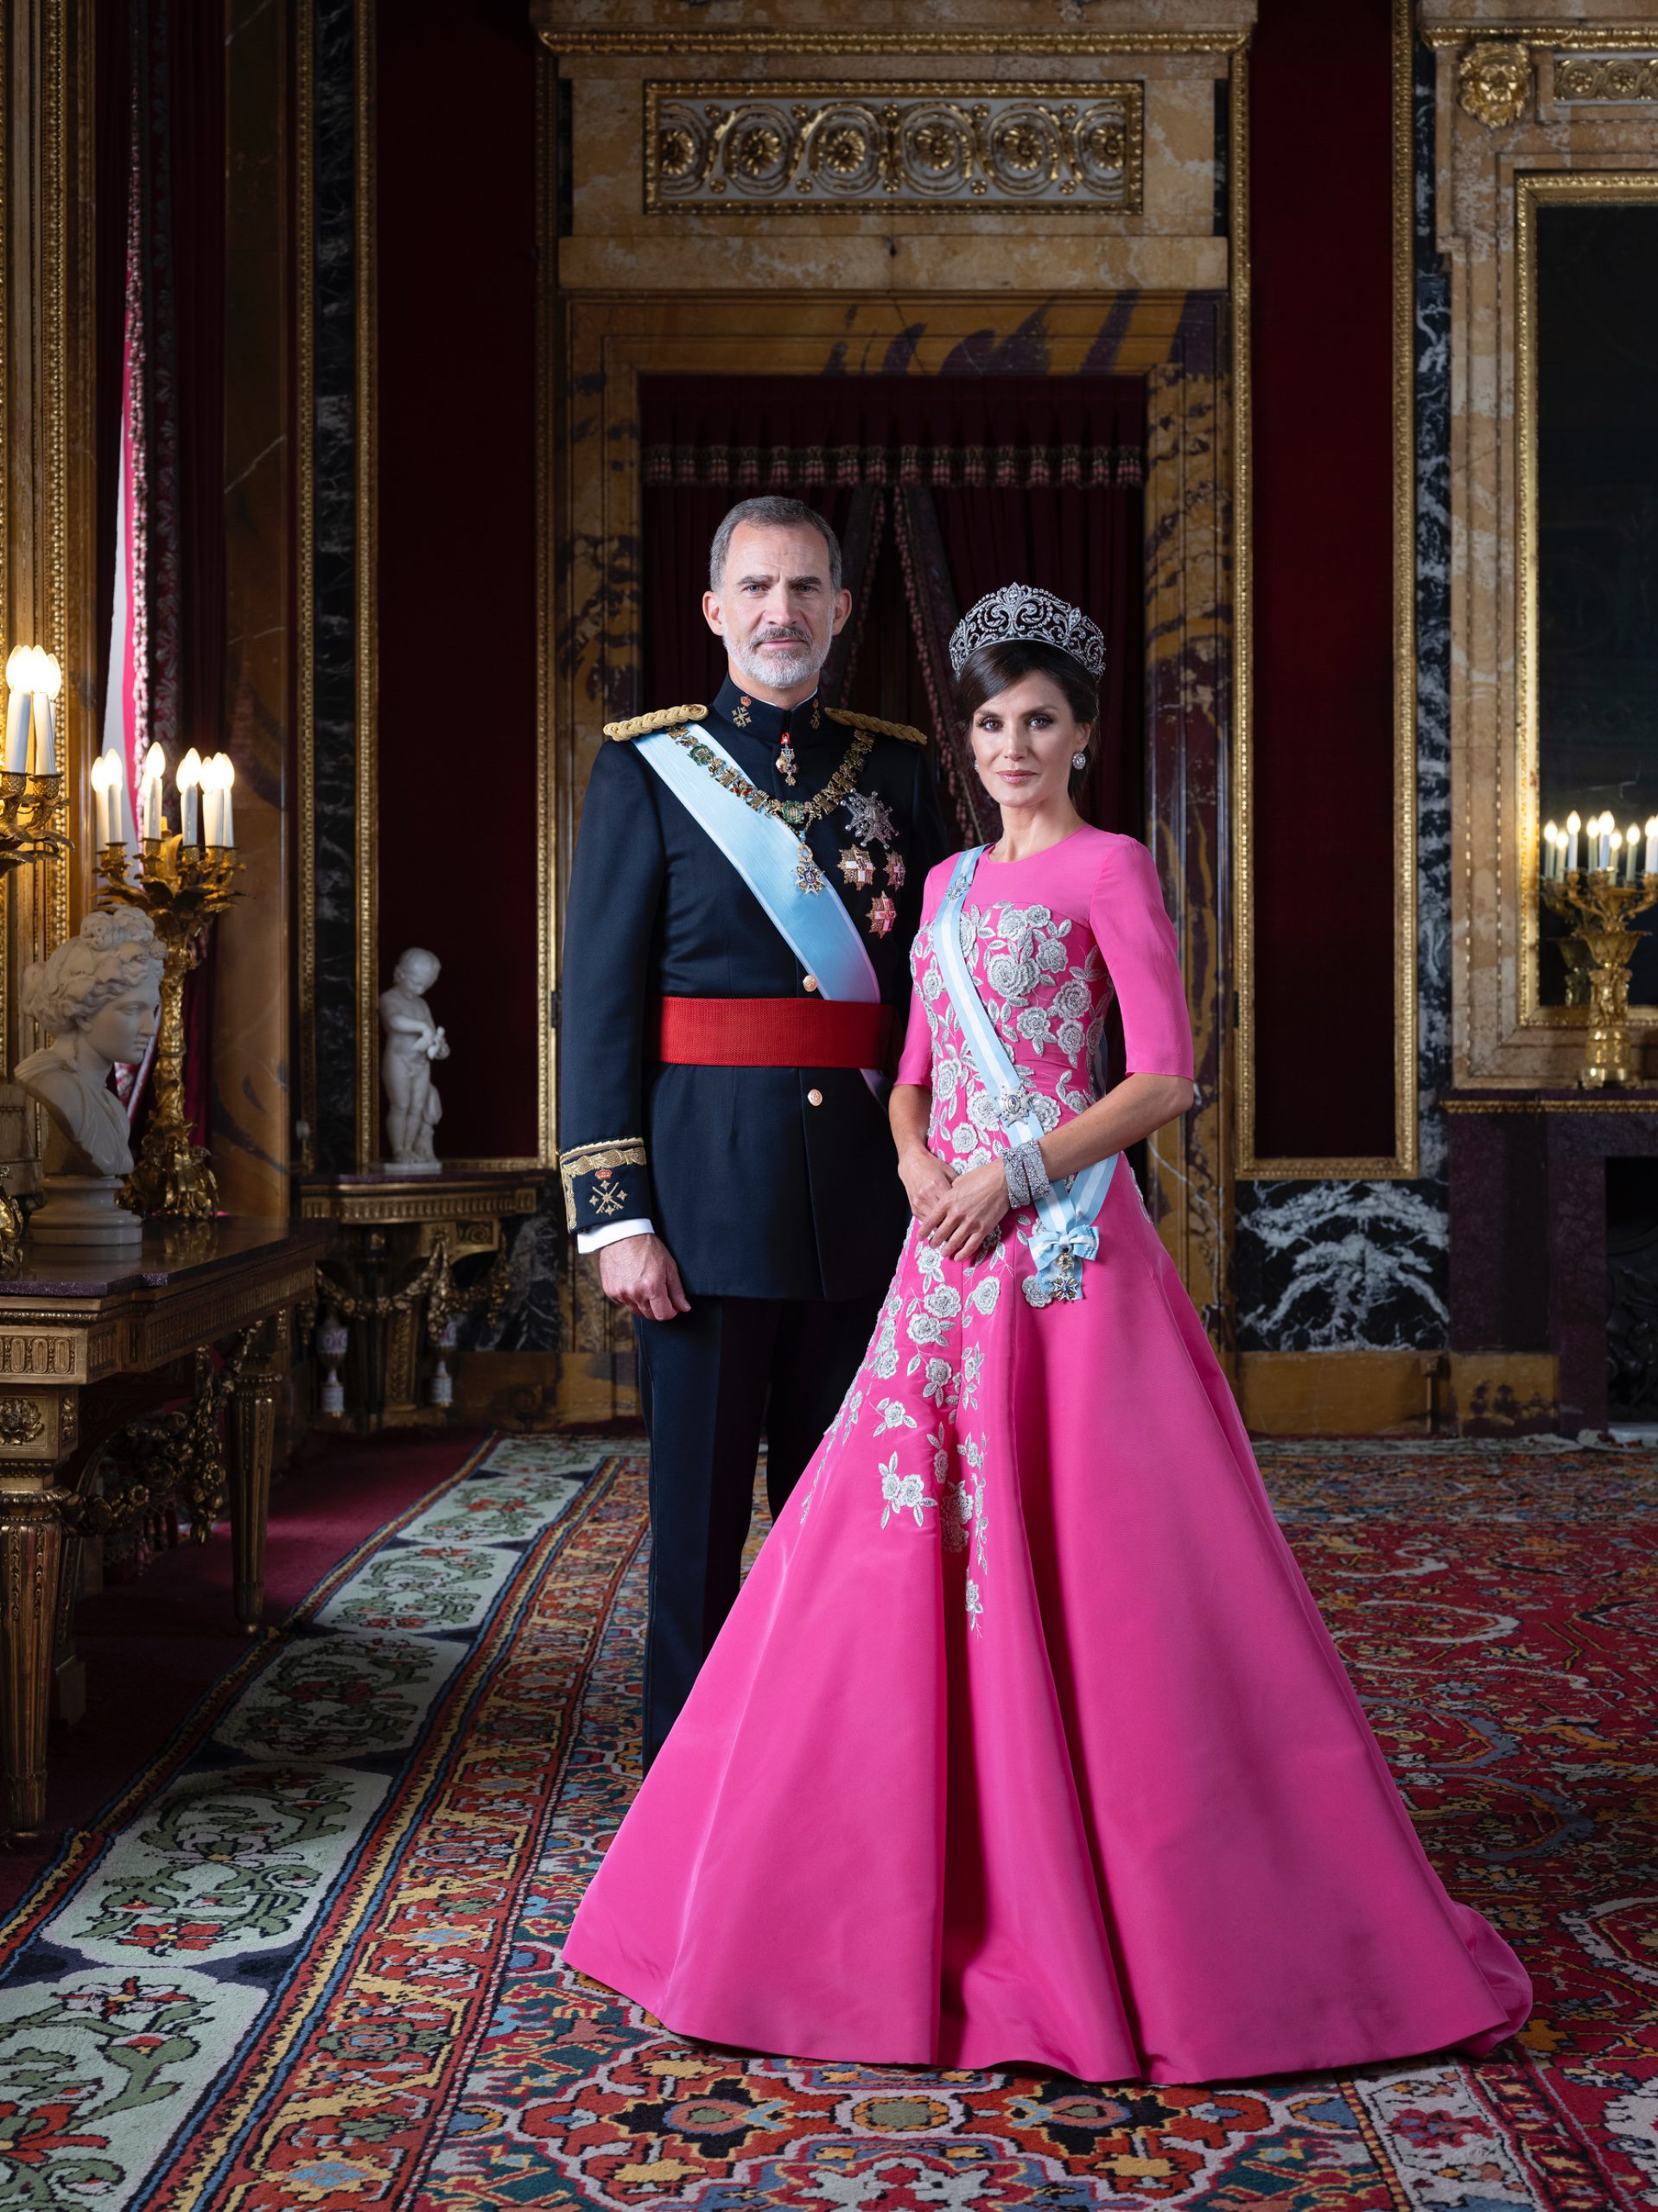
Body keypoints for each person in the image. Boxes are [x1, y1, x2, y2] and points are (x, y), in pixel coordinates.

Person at [562, 582, 1532, 2082]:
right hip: (945, 1255)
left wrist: (1015, 1175)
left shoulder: (1114, 870)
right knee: (884, 1555)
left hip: (1066, 1256)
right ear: (970, 735)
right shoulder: (943, 886)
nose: (1014, 746)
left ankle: (1127, 1872)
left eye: (1041, 724)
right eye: (994, 724)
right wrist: (917, 1171)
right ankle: (874, 1871)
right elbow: (905, 1069)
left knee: (1095, 1564)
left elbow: (1167, 1081)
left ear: (1082, 734)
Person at [558, 494, 950, 1767]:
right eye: (757, 589)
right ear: (717, 610)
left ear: (841, 611)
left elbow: (938, 1004)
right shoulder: (646, 766)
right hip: (705, 1212)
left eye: (806, 590)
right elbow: (600, 1009)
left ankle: (842, 1775)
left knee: (856, 1523)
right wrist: (617, 1218)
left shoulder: (899, 773)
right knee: (698, 1530)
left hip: (869, 1209)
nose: (781, 613)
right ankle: (691, 1789)